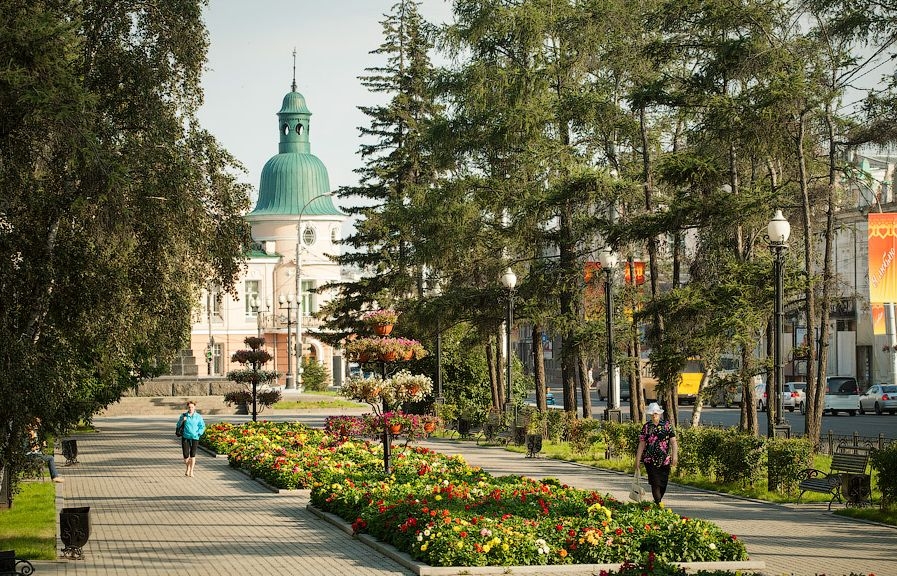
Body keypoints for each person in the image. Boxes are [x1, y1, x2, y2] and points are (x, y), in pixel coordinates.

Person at [634, 402, 677, 505]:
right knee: (655, 482)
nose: (654, 415)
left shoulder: (667, 426)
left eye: (656, 413)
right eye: (652, 414)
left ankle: (657, 501)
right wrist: (637, 460)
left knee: (663, 483)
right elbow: (642, 443)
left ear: (660, 414)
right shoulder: (646, 427)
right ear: (650, 414)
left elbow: (673, 442)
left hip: (664, 460)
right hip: (650, 460)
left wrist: (675, 456)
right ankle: (658, 503)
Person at [176, 401, 206, 477]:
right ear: (187, 407)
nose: (191, 408)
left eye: (192, 407)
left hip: (195, 437)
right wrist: (183, 420)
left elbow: (202, 426)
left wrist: (199, 433)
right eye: (189, 407)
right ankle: (188, 467)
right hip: (185, 437)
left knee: (193, 455)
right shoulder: (184, 415)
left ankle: (191, 471)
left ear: (194, 407)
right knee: (186, 456)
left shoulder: (198, 416)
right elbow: (178, 425)